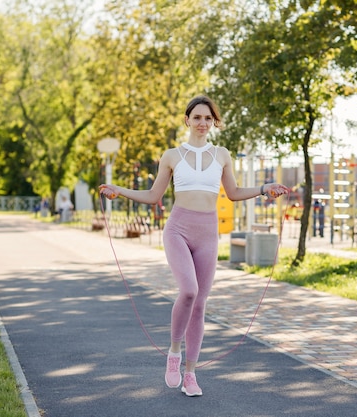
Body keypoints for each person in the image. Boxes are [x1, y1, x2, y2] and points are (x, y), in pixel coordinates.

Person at [99, 95, 289, 397]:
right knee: (189, 291)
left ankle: (190, 373)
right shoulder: (172, 155)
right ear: (187, 120)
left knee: (200, 304)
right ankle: (173, 353)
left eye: (208, 118)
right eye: (197, 117)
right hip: (178, 229)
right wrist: (118, 191)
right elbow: (152, 195)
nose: (203, 123)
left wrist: (265, 189)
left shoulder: (222, 155)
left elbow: (234, 192)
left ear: (214, 122)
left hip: (207, 233)